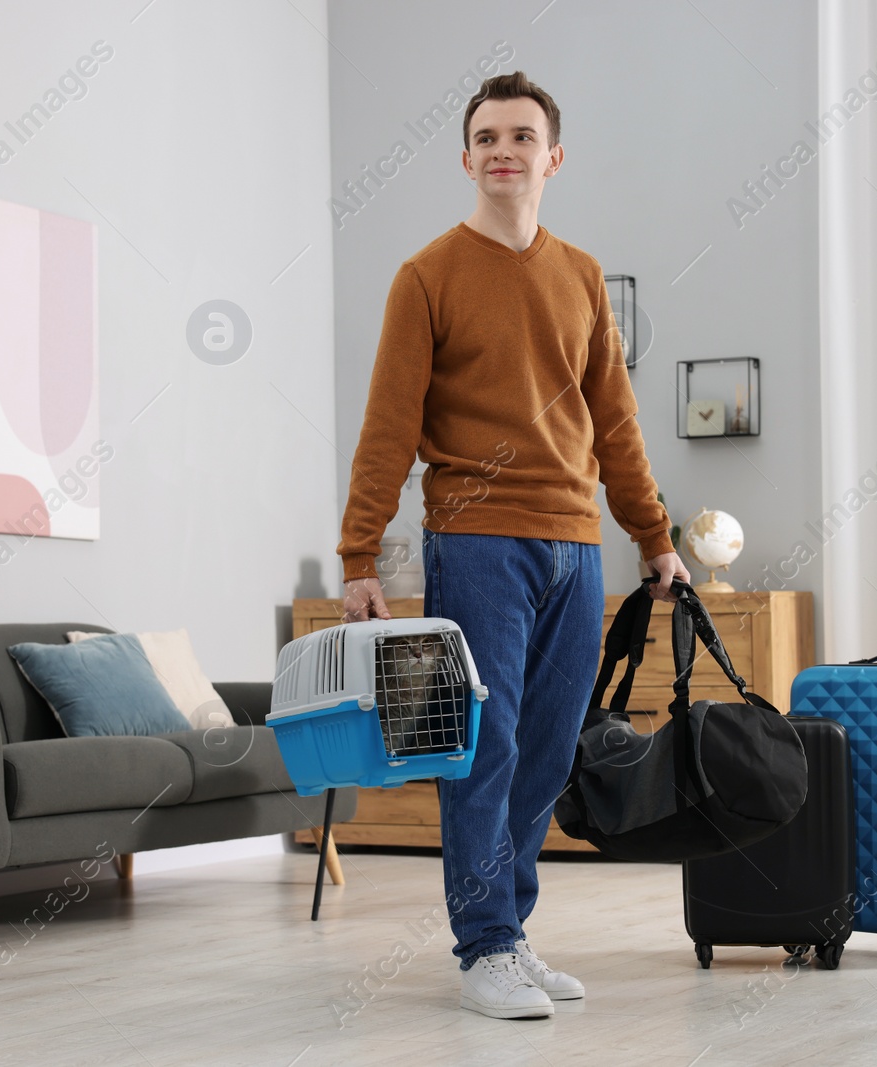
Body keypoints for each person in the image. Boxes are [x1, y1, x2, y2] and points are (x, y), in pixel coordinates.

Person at [336, 70, 690, 1020]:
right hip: (476, 539)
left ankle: (510, 928)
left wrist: (653, 538)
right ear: (466, 158)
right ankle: (482, 943)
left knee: (546, 749)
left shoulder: (579, 275)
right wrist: (359, 555)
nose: (505, 150)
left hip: (576, 544)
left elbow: (614, 421)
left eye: (522, 136)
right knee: (483, 746)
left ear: (552, 157)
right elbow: (388, 426)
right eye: (487, 136)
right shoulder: (426, 276)